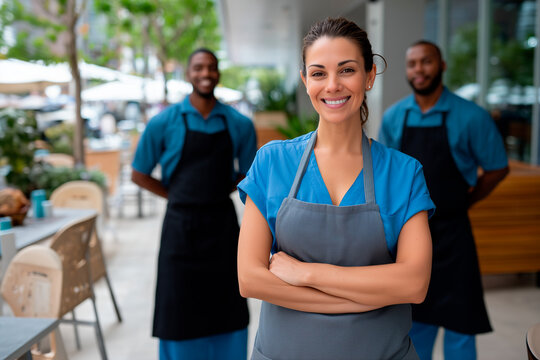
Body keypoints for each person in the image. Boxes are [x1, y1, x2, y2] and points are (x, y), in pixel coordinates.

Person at [237, 17, 435, 360]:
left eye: (347, 70)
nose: (332, 85)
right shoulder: (271, 163)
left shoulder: (405, 173)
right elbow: (251, 280)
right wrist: (365, 296)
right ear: (305, 80)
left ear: (370, 76)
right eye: (318, 73)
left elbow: (414, 285)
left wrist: (307, 273)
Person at [379, 40, 509, 360]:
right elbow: (386, 175)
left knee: (461, 327)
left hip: (454, 235)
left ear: (442, 66)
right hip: (409, 235)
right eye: (412, 64)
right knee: (415, 323)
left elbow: (497, 168)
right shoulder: (394, 117)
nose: (419, 70)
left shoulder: (471, 117)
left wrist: (467, 200)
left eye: (426, 62)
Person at [131, 48, 257, 360]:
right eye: (198, 68)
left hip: (222, 228)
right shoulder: (164, 122)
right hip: (179, 230)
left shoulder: (239, 123)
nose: (205, 74)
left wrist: (220, 191)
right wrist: (175, 196)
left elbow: (250, 173)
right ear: (188, 74)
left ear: (218, 74)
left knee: (227, 306)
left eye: (212, 68)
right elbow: (139, 173)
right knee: (178, 311)